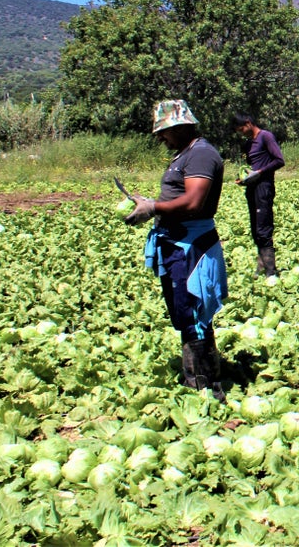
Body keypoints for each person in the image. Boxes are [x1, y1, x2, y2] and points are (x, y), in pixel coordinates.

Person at [124, 100, 230, 397]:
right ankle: (193, 378)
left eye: (164, 131)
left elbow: (194, 201)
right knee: (185, 313)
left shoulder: (201, 155)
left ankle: (207, 386)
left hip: (191, 248)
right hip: (175, 244)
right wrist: (151, 205)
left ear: (180, 126)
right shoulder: (184, 154)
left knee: (195, 313)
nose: (161, 138)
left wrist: (154, 207)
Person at [232, 112, 285, 277]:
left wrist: (260, 173)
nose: (241, 133)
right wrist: (244, 178)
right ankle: (261, 266)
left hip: (264, 187)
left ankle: (271, 271)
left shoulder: (265, 137)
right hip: (252, 189)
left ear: (248, 123)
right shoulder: (249, 144)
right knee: (255, 229)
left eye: (241, 129)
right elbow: (252, 166)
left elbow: (279, 160)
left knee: (263, 229)